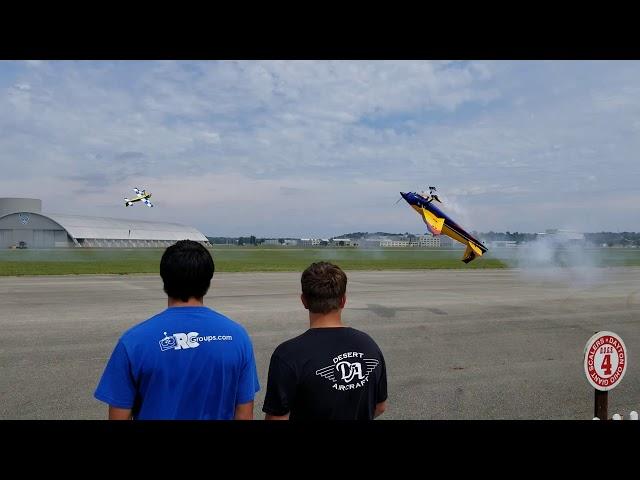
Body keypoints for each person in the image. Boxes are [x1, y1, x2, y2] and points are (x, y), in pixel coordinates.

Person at [94, 240, 260, 420]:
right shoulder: (237, 337)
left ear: (164, 278)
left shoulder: (133, 342)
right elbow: (244, 414)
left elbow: (119, 416)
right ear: (208, 280)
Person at [262, 261, 387, 420]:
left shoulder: (288, 355)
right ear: (343, 300)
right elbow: (380, 406)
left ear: (304, 301)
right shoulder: (369, 345)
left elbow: (276, 418)